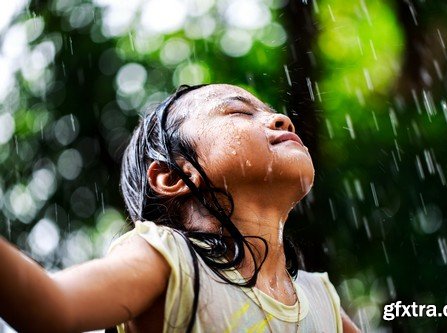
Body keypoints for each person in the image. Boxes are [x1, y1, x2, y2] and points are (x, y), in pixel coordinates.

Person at [0, 83, 360, 332]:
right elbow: (52, 309)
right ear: (173, 176)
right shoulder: (172, 261)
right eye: (238, 111)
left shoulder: (321, 299)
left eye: (271, 112)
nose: (282, 119)